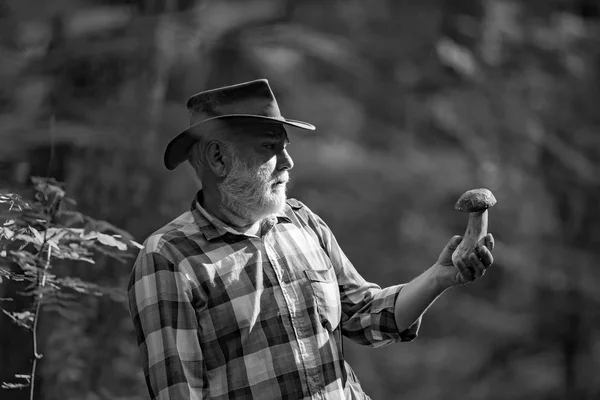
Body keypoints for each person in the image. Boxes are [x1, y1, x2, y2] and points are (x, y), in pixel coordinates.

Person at [127, 79, 495, 400]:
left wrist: (437, 277)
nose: (288, 162)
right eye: (270, 148)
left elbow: (364, 315)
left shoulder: (301, 221)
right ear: (218, 157)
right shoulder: (169, 257)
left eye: (285, 146)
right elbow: (179, 392)